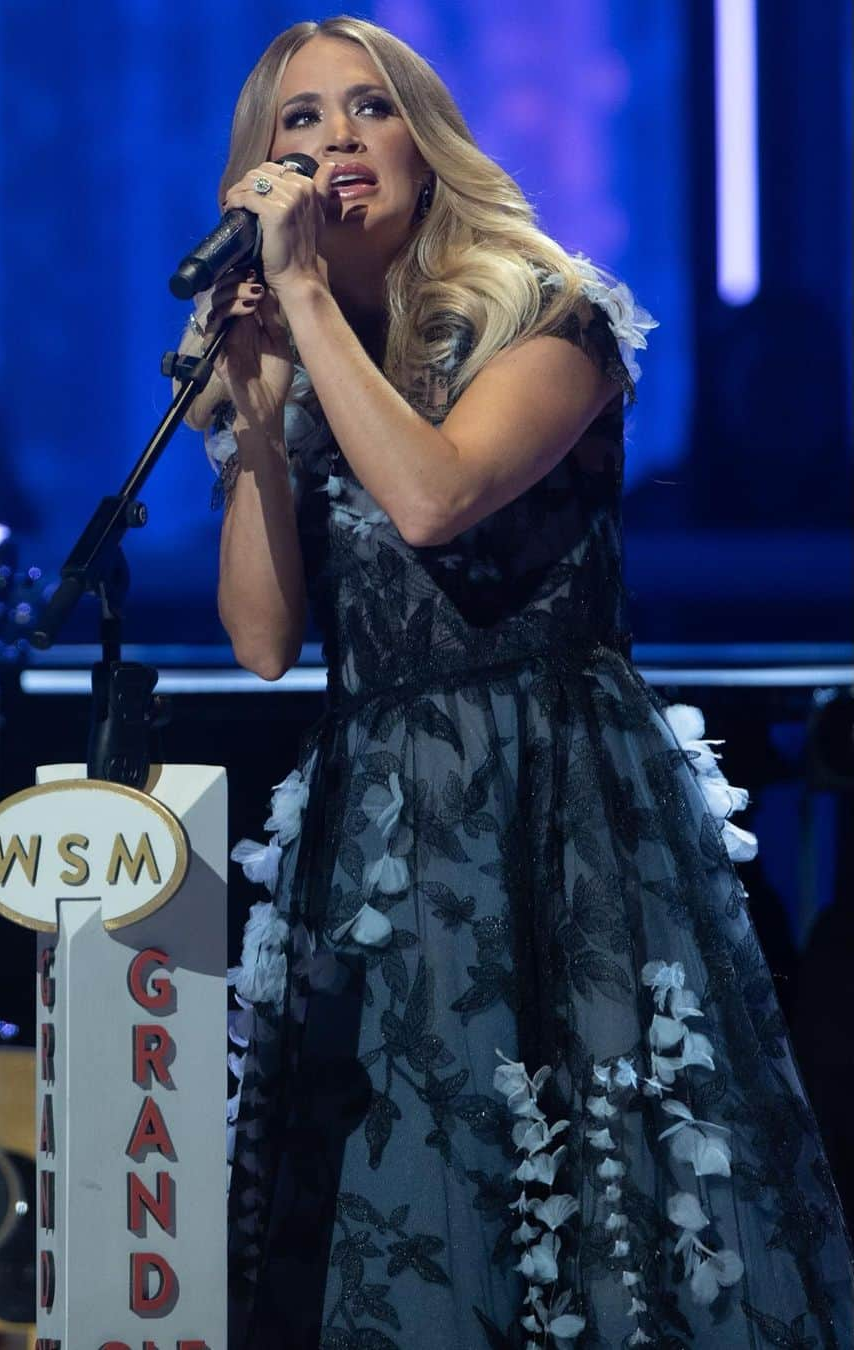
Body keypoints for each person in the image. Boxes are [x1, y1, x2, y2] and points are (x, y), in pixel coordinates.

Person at [177, 16, 854, 1348]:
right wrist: (254, 413)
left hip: (550, 803)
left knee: (587, 1197)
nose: (334, 143)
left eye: (368, 109)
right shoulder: (315, 357)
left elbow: (434, 501)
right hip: (377, 815)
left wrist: (307, 304)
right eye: (298, 122)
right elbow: (261, 640)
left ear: (425, 145)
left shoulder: (550, 314)